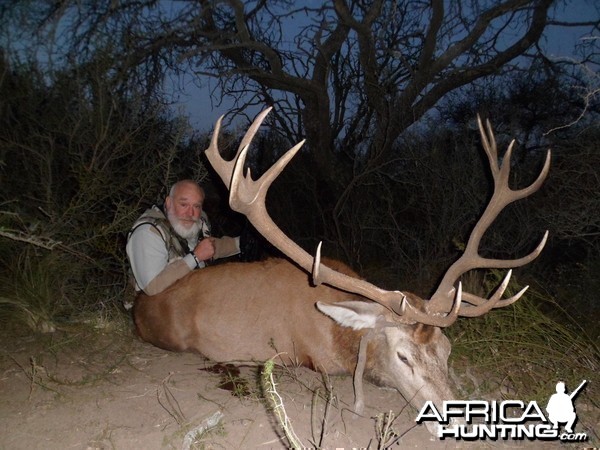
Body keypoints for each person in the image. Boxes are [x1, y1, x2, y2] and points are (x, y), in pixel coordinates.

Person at [126, 179, 240, 298]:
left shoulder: (196, 221)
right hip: (156, 309)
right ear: (169, 203)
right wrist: (195, 257)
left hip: (191, 300)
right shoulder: (148, 233)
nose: (190, 213)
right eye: (184, 204)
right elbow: (153, 288)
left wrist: (240, 244)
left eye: (196, 206)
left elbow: (208, 246)